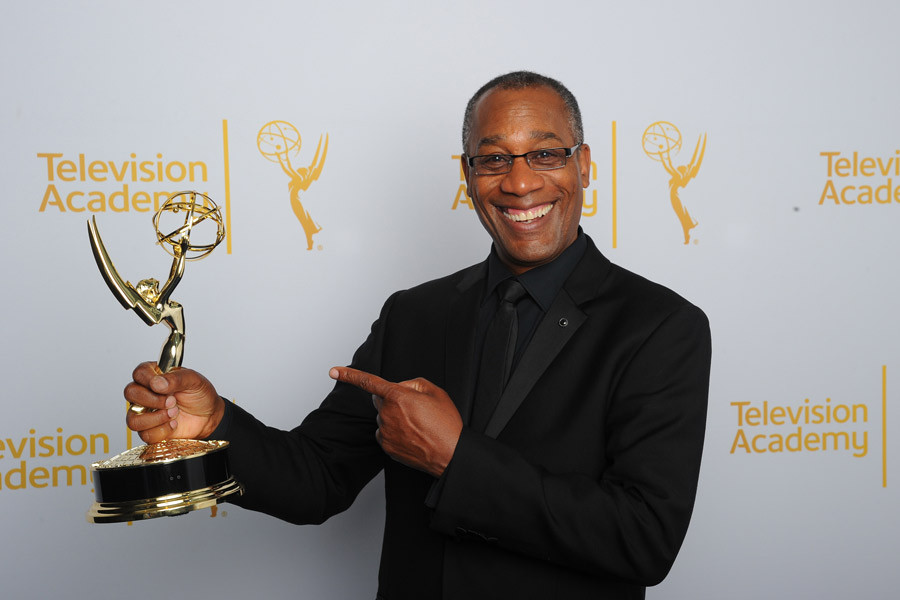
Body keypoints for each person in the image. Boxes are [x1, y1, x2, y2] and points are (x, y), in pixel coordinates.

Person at [124, 71, 712, 599]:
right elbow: (318, 479)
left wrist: (458, 459)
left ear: (583, 165)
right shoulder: (414, 314)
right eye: (494, 160)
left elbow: (644, 539)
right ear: (469, 175)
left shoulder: (660, 327)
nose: (520, 182)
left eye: (545, 154)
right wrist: (214, 426)